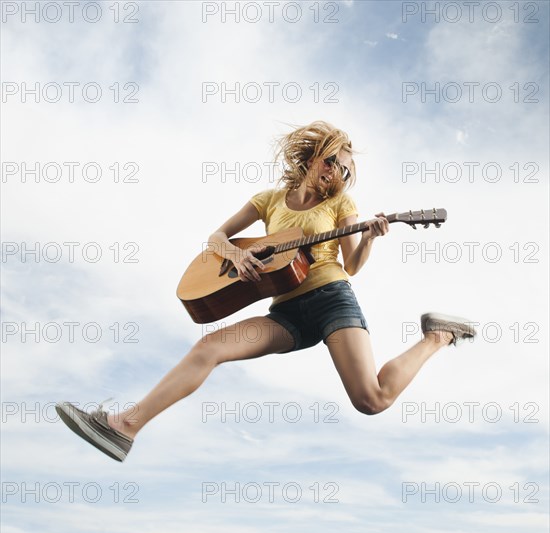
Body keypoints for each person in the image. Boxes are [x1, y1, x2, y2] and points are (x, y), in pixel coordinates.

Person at [56, 121, 476, 462]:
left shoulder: (340, 207)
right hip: (285, 311)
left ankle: (437, 335)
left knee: (372, 398)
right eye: (333, 162)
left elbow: (350, 266)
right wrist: (237, 258)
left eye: (346, 170)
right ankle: (125, 427)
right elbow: (217, 236)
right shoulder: (269, 200)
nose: (338, 174)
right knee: (208, 349)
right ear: (314, 157)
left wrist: (369, 238)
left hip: (332, 299)